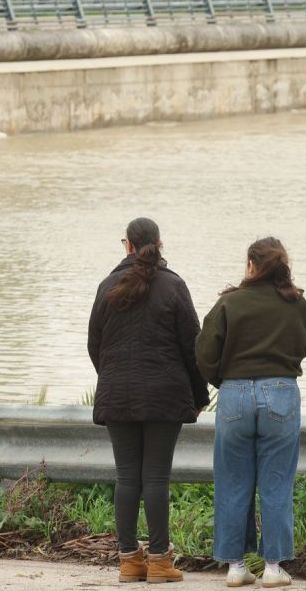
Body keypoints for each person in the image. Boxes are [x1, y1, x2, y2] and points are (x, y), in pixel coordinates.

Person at [88, 217, 211, 585]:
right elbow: (194, 346)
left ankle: (128, 562)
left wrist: (112, 376)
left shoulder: (107, 285)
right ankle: (159, 562)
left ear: (126, 244)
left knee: (127, 477)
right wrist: (199, 394)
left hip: (118, 393)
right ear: (159, 243)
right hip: (164, 395)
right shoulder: (173, 286)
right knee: (156, 477)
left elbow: (95, 345)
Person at [196, 237, 306, 589]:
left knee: (233, 481)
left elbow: (204, 353)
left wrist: (226, 380)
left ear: (251, 265)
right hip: (280, 391)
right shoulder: (297, 303)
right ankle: (274, 567)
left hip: (234, 394)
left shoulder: (229, 303)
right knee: (276, 483)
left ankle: (235, 566)